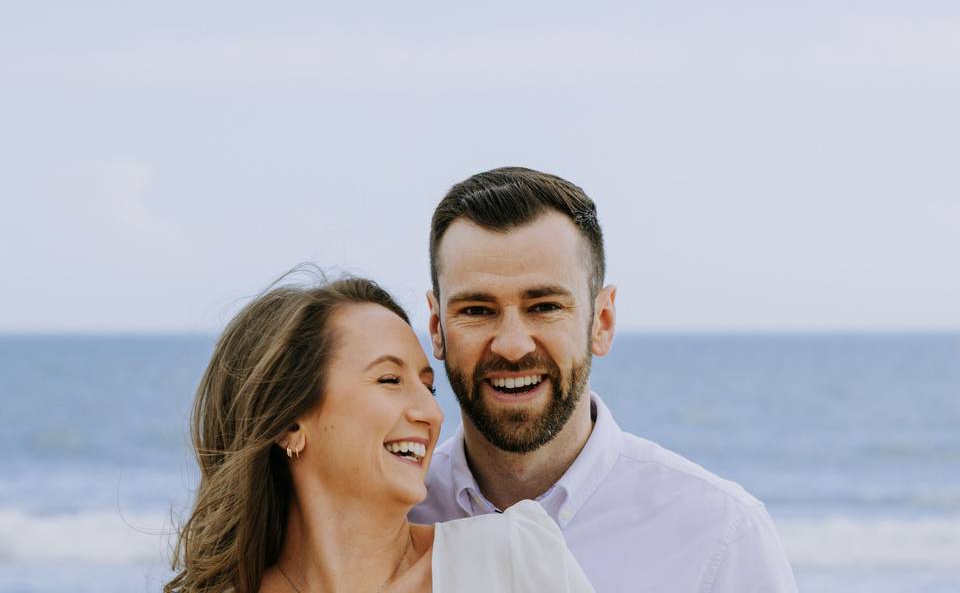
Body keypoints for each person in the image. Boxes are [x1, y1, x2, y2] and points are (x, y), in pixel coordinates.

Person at [410, 167, 799, 592]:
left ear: (603, 321)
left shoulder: (721, 536)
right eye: (477, 310)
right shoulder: (391, 517)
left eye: (544, 306)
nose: (512, 345)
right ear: (436, 327)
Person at [165, 276, 594, 593]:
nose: (431, 412)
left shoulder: (513, 560)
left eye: (429, 387)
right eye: (389, 380)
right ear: (289, 423)